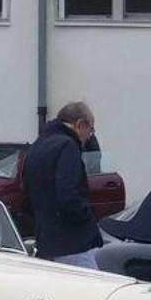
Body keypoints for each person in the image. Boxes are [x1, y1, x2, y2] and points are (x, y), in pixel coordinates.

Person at [23, 101, 103, 268]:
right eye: (91, 130)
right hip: (71, 242)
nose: (90, 136)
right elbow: (68, 195)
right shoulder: (68, 146)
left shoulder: (37, 146)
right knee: (91, 289)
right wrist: (86, 216)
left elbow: (26, 198)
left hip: (45, 241)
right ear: (80, 124)